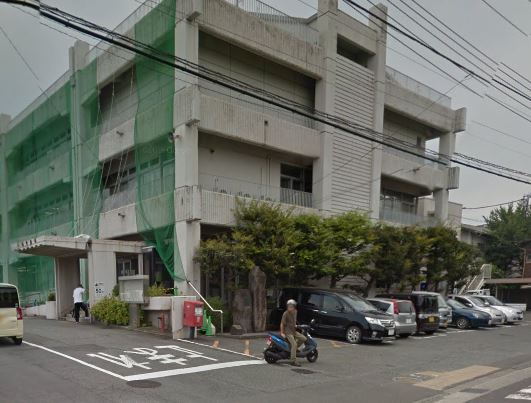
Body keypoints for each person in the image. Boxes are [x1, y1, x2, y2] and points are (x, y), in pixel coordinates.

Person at [280, 299, 307, 367]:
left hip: (293, 331)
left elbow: (294, 320)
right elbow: (282, 324)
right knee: (294, 344)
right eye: (288, 306)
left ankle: (294, 350)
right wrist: (282, 332)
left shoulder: (295, 312)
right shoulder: (285, 313)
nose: (289, 308)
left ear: (294, 307)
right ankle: (293, 361)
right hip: (288, 332)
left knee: (304, 338)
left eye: (291, 306)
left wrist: (296, 325)